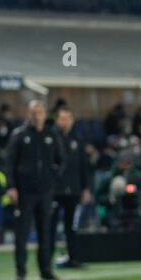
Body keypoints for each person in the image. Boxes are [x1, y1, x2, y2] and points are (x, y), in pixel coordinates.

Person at [3, 100, 64, 280]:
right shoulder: (20, 135)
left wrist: (52, 177)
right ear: (28, 114)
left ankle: (46, 270)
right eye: (34, 112)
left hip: (45, 191)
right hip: (25, 191)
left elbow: (61, 159)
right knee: (22, 232)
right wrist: (11, 186)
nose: (37, 115)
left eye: (40, 112)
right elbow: (9, 162)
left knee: (45, 232)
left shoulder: (51, 134)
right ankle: (21, 271)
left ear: (45, 114)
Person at [52, 106, 92, 269]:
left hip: (74, 189)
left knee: (72, 226)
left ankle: (73, 257)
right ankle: (47, 260)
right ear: (57, 120)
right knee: (51, 225)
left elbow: (84, 166)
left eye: (68, 118)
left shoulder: (78, 139)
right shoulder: (52, 138)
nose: (65, 121)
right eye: (62, 118)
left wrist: (86, 188)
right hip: (55, 190)